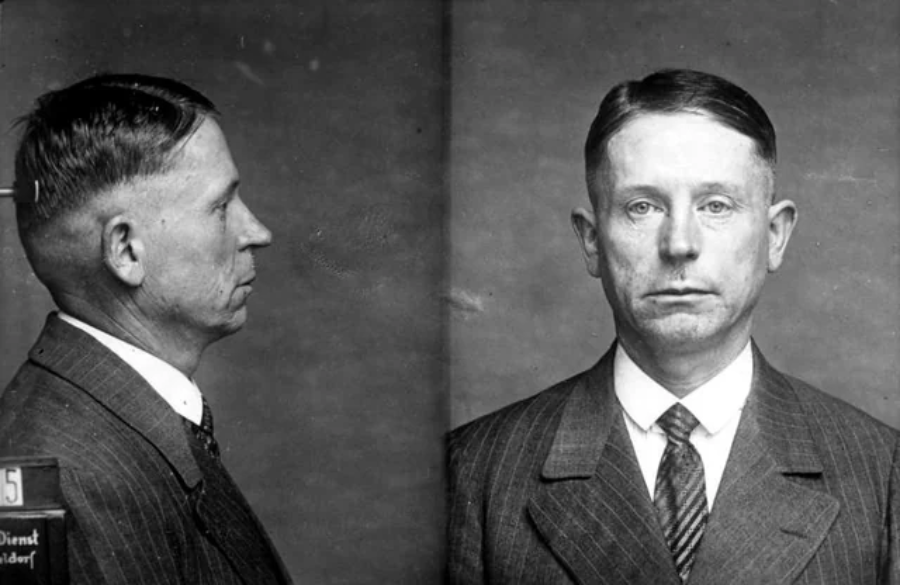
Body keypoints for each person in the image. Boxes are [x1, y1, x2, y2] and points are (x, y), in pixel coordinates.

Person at [447, 69, 899, 585]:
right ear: (592, 240)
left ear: (775, 235)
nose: (680, 243)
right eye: (643, 207)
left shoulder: (884, 473)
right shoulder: (472, 473)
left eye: (716, 206)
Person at [0, 74, 292, 584]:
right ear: (126, 251)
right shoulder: (70, 476)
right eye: (221, 208)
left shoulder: (127, 421)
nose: (257, 233)